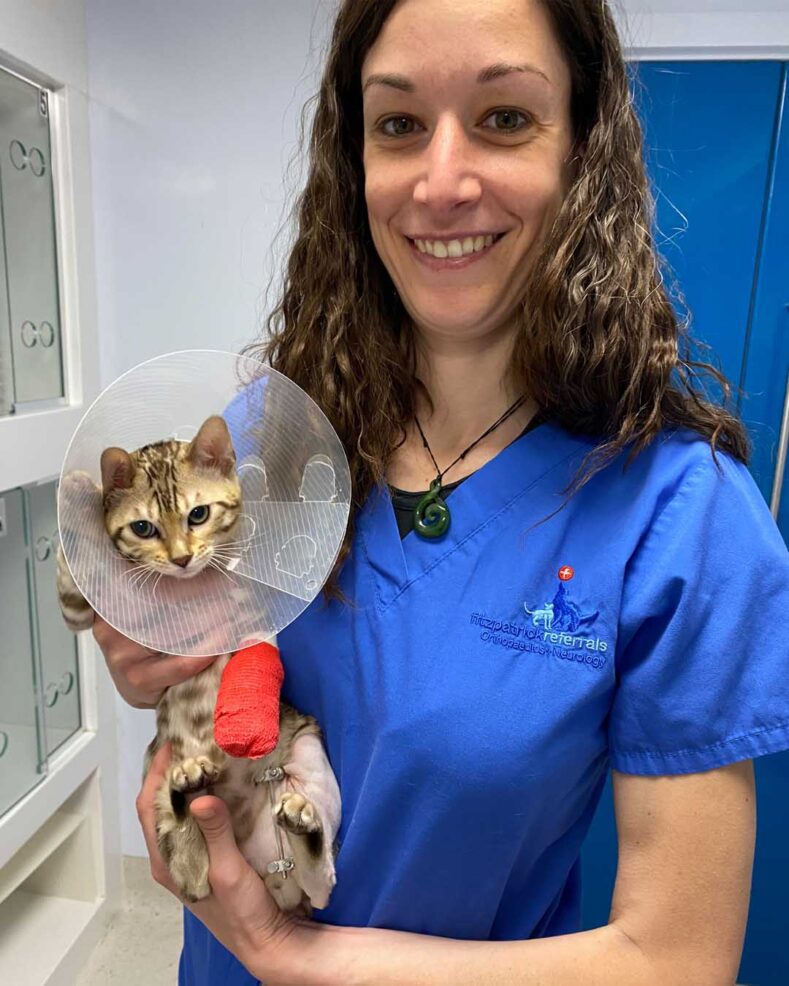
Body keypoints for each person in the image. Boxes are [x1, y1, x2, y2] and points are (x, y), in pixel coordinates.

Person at [95, 0, 789, 983]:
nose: (441, 180)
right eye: (398, 124)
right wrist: (146, 650)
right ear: (355, 158)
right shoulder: (270, 438)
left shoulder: (680, 517)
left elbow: (676, 955)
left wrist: (290, 954)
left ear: (583, 148)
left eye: (505, 118)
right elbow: (193, 668)